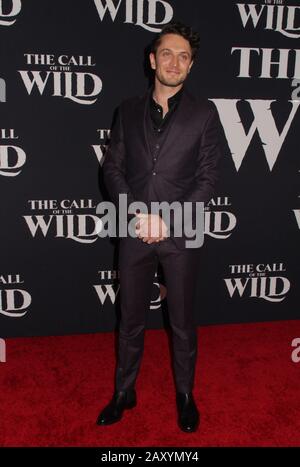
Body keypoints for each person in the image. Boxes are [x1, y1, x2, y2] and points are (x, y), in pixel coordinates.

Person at [97, 21, 223, 433]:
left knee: (182, 321)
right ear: (153, 60)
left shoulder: (204, 114)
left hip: (181, 233)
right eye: (167, 53)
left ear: (190, 67)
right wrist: (136, 213)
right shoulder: (127, 110)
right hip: (133, 229)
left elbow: (207, 178)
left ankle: (185, 394)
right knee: (130, 318)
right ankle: (123, 391)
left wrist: (166, 219)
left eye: (184, 56)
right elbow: (112, 168)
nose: (175, 62)